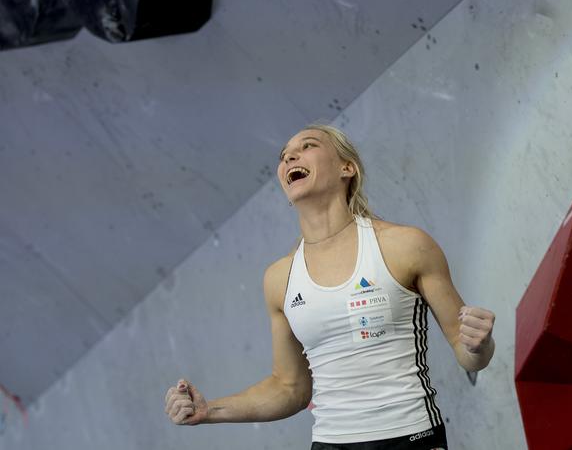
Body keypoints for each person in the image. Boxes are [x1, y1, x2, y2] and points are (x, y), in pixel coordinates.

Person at [164, 124, 496, 449]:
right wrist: (210, 411)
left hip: (412, 438)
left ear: (346, 168)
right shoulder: (279, 279)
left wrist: (479, 346)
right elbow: (289, 388)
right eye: (284, 156)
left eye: (307, 145)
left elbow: (468, 355)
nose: (290, 156)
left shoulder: (405, 245)